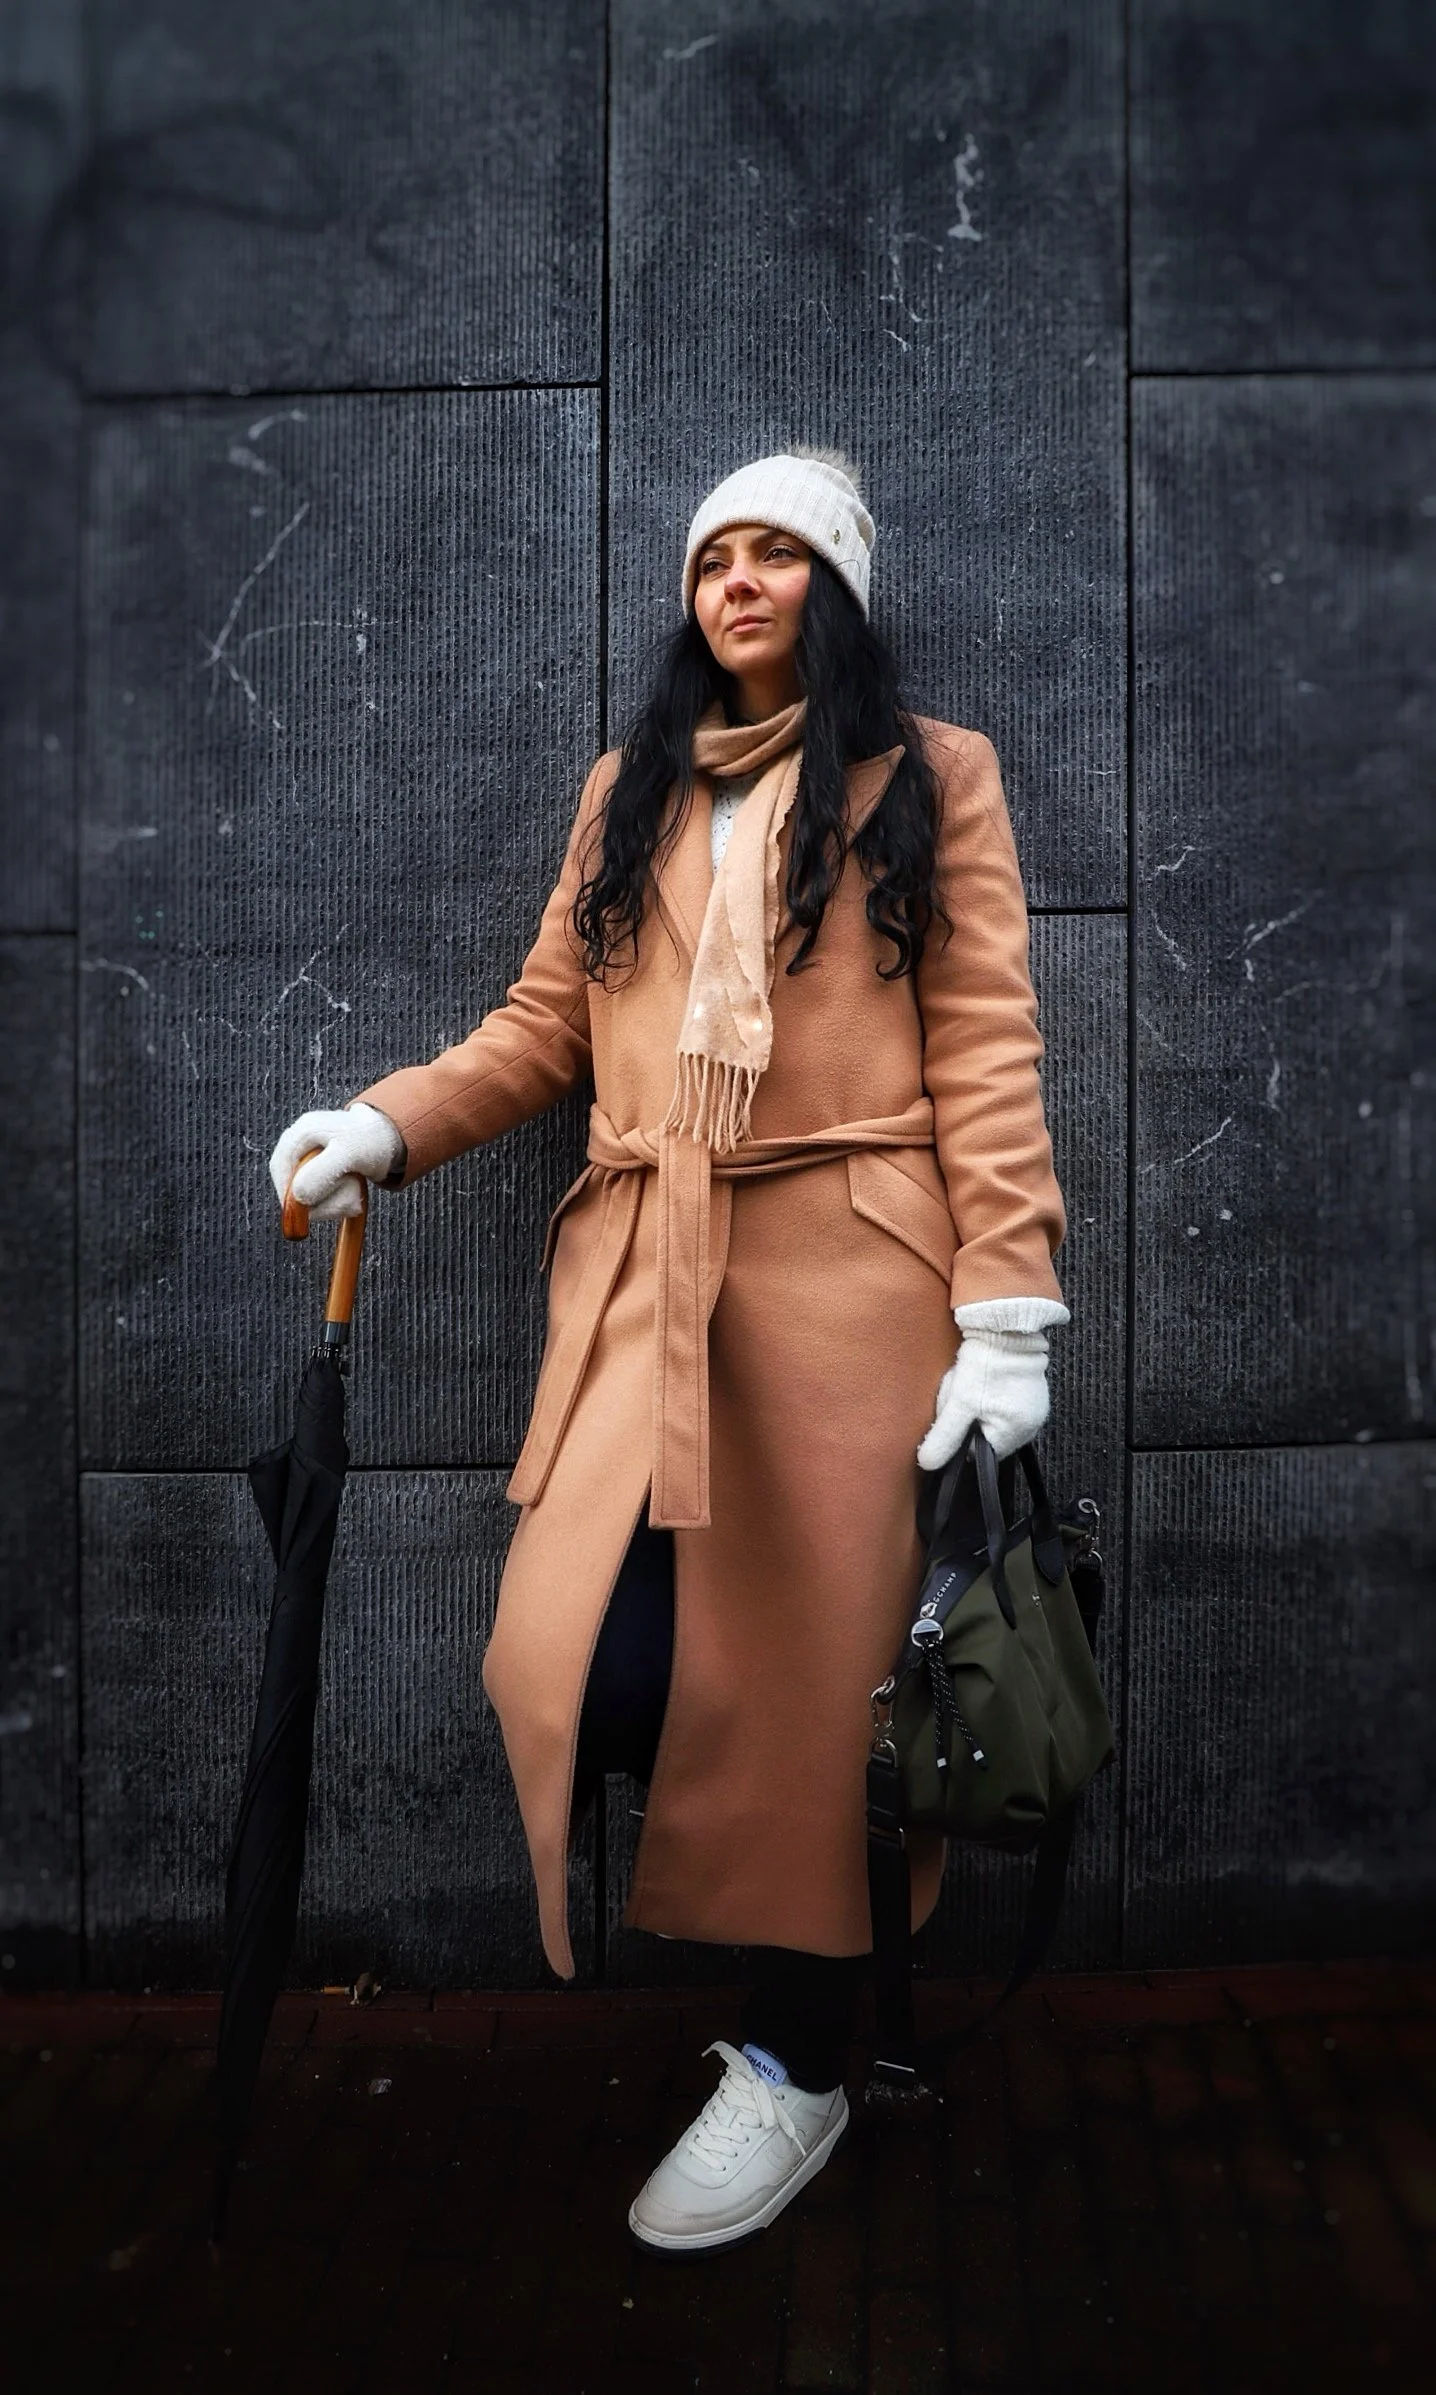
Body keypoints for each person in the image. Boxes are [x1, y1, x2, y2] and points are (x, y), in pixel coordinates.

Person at [268, 446, 1070, 2253]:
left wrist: (1004, 1320)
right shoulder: (627, 792)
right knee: (585, 1664)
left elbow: (991, 1058)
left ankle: (800, 2059)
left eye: (784, 551)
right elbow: (547, 1021)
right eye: (718, 552)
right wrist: (387, 1122)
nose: (743, 579)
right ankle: (786, 2018)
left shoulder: (929, 779)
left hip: (851, 1296)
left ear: (837, 588)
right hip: (645, 1285)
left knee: (812, 1700)